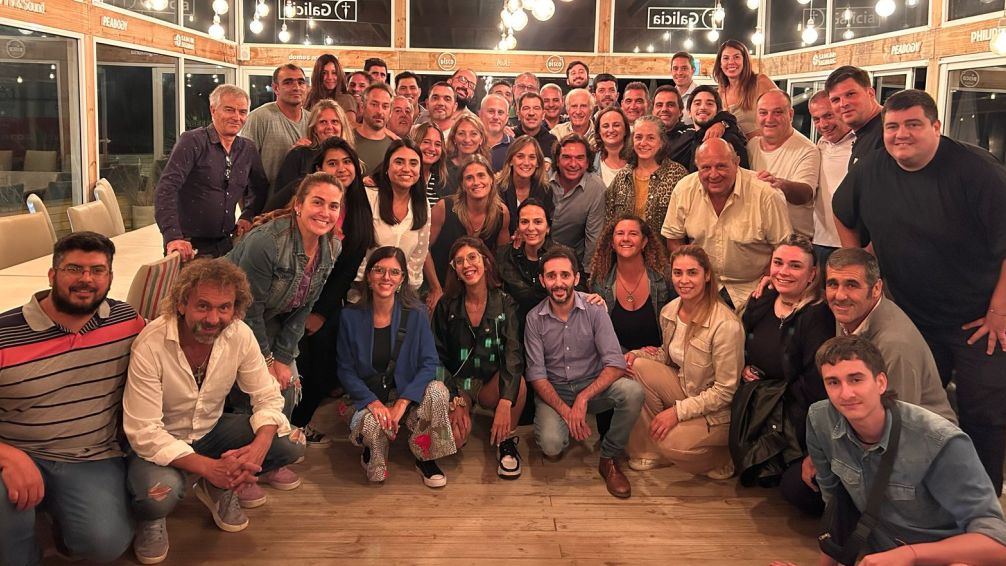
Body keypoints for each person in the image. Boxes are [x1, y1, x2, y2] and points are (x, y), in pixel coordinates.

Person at [833, 89, 1006, 493]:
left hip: (978, 320)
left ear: (936, 126)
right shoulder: (872, 168)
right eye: (893, 126)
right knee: (909, 409)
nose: (901, 135)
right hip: (910, 316)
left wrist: (999, 311)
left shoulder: (978, 171)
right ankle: (919, 494)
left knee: (984, 413)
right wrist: (861, 270)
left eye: (913, 124)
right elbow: (843, 212)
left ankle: (980, 503)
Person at [124, 259, 305, 564]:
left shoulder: (239, 334)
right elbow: (144, 432)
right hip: (158, 444)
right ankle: (155, 517)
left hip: (210, 432)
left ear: (236, 309)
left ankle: (216, 486)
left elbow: (267, 395)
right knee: (159, 497)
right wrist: (210, 467)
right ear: (181, 303)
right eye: (203, 306)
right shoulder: (151, 343)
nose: (213, 318)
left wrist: (259, 447)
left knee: (292, 444)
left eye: (224, 308)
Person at [0, 232, 145, 566]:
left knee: (104, 544)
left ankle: (55, 522)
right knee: (9, 550)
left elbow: (171, 346)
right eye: (74, 269)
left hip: (90, 455)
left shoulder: (126, 321)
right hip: (17, 451)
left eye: (97, 270)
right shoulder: (5, 334)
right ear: (52, 275)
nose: (86, 279)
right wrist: (7, 455)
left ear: (110, 277)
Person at [801, 335, 1006, 564]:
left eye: (856, 379)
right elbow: (836, 509)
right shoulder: (820, 419)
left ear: (881, 382)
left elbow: (997, 543)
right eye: (833, 382)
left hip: (943, 558)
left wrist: (910, 555)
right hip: (880, 557)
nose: (846, 393)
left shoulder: (939, 440)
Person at [225, 172, 343, 494]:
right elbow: (248, 309)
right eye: (317, 202)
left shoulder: (332, 247)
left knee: (288, 383)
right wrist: (266, 361)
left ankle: (269, 462)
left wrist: (282, 357)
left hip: (270, 318)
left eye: (333, 206)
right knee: (252, 389)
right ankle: (241, 470)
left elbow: (305, 306)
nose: (325, 212)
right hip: (230, 318)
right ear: (299, 205)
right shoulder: (267, 242)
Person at [524, 247, 644, 498]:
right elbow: (536, 376)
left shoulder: (595, 309)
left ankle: (609, 457)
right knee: (551, 446)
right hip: (555, 390)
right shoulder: (534, 319)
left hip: (592, 386)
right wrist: (567, 411)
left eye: (565, 275)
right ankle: (566, 425)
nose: (559, 283)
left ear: (576, 278)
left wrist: (583, 398)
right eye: (551, 276)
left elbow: (615, 363)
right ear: (543, 280)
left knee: (632, 392)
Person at [727, 236, 834, 505]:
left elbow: (813, 384)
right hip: (756, 400)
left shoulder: (817, 314)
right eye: (778, 263)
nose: (783, 271)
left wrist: (772, 388)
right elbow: (742, 341)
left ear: (812, 274)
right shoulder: (762, 299)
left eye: (795, 266)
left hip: (793, 412)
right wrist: (742, 366)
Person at [338, 247, 456, 486]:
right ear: (368, 276)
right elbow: (345, 370)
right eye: (379, 270)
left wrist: (402, 402)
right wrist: (372, 402)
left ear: (402, 279)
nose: (386, 277)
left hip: (406, 396)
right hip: (368, 397)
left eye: (394, 272)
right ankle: (373, 451)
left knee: (438, 391)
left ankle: (425, 456)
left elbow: (430, 363)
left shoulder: (417, 313)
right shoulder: (349, 317)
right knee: (374, 456)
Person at [622, 243, 741, 482]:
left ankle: (722, 457)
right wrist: (636, 355)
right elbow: (669, 356)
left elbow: (726, 392)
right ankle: (650, 451)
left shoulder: (726, 325)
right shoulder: (670, 311)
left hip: (717, 411)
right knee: (634, 367)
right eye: (678, 273)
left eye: (692, 273)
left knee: (671, 442)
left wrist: (677, 412)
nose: (684, 280)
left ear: (707, 275)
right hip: (686, 387)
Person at [289, 138, 374, 445]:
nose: (341, 168)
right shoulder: (303, 201)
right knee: (293, 365)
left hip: (326, 301)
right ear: (319, 169)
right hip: (290, 297)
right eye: (332, 163)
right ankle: (281, 427)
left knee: (323, 366)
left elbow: (346, 271)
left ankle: (298, 424)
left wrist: (321, 313)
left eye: (347, 162)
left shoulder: (360, 209)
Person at [432, 237, 527, 478]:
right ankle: (463, 415)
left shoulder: (506, 303)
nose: (467, 265)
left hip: (490, 383)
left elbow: (513, 355)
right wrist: (454, 398)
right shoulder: (446, 305)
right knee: (454, 441)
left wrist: (505, 402)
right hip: (459, 383)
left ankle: (506, 440)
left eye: (472, 257)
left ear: (485, 261)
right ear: (455, 269)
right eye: (459, 261)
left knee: (519, 386)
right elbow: (435, 356)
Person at [825, 248, 956, 422]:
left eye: (852, 285)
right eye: (833, 284)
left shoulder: (895, 344)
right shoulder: (849, 312)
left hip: (922, 433)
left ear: (876, 288)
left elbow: (896, 423)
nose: (840, 295)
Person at [661, 139, 791, 310]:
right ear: (697, 167)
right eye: (705, 168)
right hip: (701, 286)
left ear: (736, 163)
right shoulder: (684, 189)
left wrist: (767, 280)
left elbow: (783, 248)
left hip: (753, 288)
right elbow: (674, 239)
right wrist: (692, 276)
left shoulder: (766, 194)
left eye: (721, 166)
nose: (713, 174)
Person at [156, 84, 269, 260]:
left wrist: (248, 215)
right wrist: (173, 236)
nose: (236, 117)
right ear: (213, 110)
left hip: (227, 245)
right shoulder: (192, 141)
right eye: (229, 110)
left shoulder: (248, 149)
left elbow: (260, 188)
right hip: (188, 247)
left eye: (242, 112)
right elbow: (166, 189)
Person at [426, 154, 509, 306]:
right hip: (443, 286)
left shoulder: (501, 213)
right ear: (463, 185)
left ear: (491, 179)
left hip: (479, 288)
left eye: (481, 175)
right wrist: (435, 288)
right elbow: (423, 249)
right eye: (469, 178)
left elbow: (502, 258)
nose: (476, 182)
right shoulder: (443, 207)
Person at [588, 214, 674, 353]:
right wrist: (630, 356)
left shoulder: (665, 276)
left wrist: (657, 352)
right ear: (612, 243)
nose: (626, 238)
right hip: (617, 359)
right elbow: (598, 335)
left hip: (659, 357)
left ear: (644, 242)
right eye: (620, 233)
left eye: (633, 234)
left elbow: (678, 326)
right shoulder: (600, 281)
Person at [360, 139, 432, 291]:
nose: (406, 169)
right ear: (387, 166)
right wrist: (372, 287)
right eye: (399, 162)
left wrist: (399, 291)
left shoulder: (422, 204)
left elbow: (418, 256)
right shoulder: (368, 197)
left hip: (401, 293)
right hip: (362, 291)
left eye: (413, 163)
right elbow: (356, 250)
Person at [747, 90, 819, 239]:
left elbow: (805, 194)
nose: (769, 119)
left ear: (790, 114)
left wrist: (777, 184)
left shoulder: (807, 150)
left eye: (777, 112)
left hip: (794, 241)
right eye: (763, 113)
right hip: (759, 239)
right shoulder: (751, 146)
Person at [605, 116, 688, 242]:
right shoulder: (622, 176)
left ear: (661, 142)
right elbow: (609, 222)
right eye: (638, 137)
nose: (643, 143)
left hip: (664, 252)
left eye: (650, 138)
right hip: (626, 251)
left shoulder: (677, 175)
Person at [497, 198, 572, 326]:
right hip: (514, 328)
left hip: (556, 327)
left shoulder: (565, 257)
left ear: (548, 227)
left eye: (538, 222)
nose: (531, 228)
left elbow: (579, 296)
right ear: (518, 226)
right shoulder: (503, 256)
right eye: (524, 222)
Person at [270, 99, 354, 209]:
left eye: (335, 122)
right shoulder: (298, 155)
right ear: (314, 128)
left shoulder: (352, 157)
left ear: (342, 126)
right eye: (323, 122)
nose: (329, 127)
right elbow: (279, 202)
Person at [240, 64, 309, 185]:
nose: (296, 87)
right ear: (276, 88)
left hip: (307, 195)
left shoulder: (313, 120)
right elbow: (243, 164)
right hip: (267, 195)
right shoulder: (259, 118)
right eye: (288, 82)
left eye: (301, 82)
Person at [549, 134, 606, 275]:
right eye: (566, 157)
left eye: (580, 158)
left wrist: (586, 276)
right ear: (557, 160)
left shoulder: (596, 188)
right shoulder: (543, 179)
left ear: (587, 162)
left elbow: (594, 239)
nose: (573, 164)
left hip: (573, 264)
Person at [808, 90, 853, 267]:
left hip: (850, 243)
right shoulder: (819, 145)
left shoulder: (862, 145)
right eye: (816, 119)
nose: (823, 124)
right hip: (819, 241)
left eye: (828, 116)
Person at [668, 85, 750, 172]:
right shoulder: (688, 135)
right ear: (689, 112)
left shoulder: (728, 139)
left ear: (718, 111)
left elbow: (742, 174)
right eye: (697, 103)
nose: (703, 107)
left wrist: (724, 123)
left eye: (709, 104)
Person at [713, 40, 776, 139]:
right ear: (720, 64)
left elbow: (784, 110)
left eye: (736, 57)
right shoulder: (719, 93)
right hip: (737, 148)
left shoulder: (760, 82)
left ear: (744, 61)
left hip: (765, 146)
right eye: (726, 58)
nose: (731, 62)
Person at [825, 65, 883, 167]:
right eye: (836, 100)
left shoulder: (890, 130)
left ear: (870, 93)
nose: (843, 104)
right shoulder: (865, 134)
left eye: (850, 94)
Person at [496, 135, 552, 235]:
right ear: (510, 161)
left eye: (532, 157)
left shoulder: (545, 190)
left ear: (538, 163)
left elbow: (547, 227)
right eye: (520, 156)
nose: (526, 162)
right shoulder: (496, 189)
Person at [441, 114, 490, 197]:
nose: (467, 139)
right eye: (461, 134)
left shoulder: (487, 166)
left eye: (473, 134)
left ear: (481, 139)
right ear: (454, 138)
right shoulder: (442, 167)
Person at [354, 83, 394, 175]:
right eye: (374, 104)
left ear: (390, 112)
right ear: (362, 107)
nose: (379, 111)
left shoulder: (395, 146)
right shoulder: (347, 140)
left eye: (385, 106)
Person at [303, 53, 357, 122]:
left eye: (334, 73)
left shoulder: (346, 99)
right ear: (318, 75)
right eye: (324, 73)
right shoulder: (310, 97)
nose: (330, 77)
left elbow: (350, 126)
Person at [411, 121, 448, 207]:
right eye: (426, 142)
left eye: (437, 144)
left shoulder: (443, 180)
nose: (432, 148)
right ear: (415, 143)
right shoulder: (405, 175)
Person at [592, 106, 632, 186]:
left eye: (616, 125)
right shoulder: (591, 161)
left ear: (625, 130)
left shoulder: (638, 161)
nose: (611, 130)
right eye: (605, 126)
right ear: (599, 131)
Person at [514, 92, 558, 158]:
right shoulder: (510, 138)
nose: (531, 113)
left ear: (543, 114)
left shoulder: (552, 142)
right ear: (518, 114)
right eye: (526, 108)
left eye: (536, 108)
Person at [480, 93, 513, 171]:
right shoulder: (469, 144)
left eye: (500, 112)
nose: (496, 117)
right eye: (491, 111)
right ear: (480, 114)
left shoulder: (515, 147)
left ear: (507, 117)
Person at [670, 51, 698, 125]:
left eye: (684, 68)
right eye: (675, 68)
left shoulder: (701, 95)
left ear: (693, 70)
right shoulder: (668, 96)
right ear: (671, 71)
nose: (679, 73)